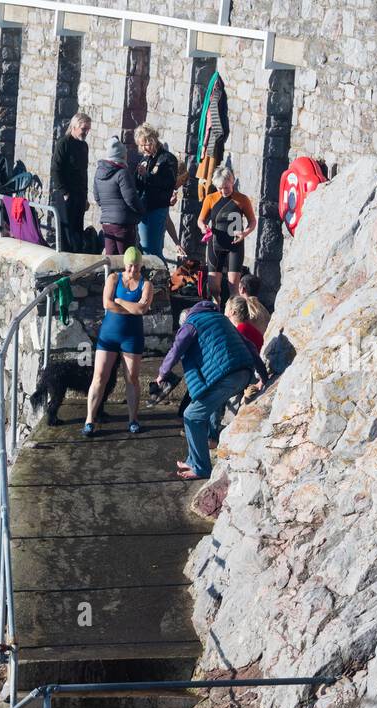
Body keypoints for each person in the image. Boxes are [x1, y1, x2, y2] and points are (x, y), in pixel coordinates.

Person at [154, 299, 260, 479]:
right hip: (243, 374)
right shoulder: (220, 319)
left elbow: (176, 349)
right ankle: (193, 459)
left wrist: (162, 373)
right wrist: (262, 378)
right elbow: (249, 346)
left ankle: (201, 468)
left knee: (191, 416)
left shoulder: (191, 323)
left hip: (227, 377)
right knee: (205, 408)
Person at [85, 246, 154, 437]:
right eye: (130, 266)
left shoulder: (146, 284)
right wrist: (130, 307)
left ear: (141, 265)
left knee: (131, 378)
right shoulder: (114, 278)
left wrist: (121, 302)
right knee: (99, 376)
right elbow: (107, 303)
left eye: (137, 267)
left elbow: (141, 310)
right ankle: (89, 419)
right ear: (125, 264)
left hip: (132, 338)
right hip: (109, 336)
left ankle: (133, 419)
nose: (133, 270)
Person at [197, 163, 256, 302]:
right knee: (213, 287)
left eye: (226, 188)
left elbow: (252, 221)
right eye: (220, 188)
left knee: (233, 286)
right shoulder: (211, 198)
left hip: (235, 245)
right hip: (215, 244)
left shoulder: (242, 199)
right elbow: (200, 219)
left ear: (232, 181)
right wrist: (203, 227)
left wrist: (245, 233)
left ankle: (232, 316)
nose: (223, 191)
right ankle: (216, 310)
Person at [133, 124, 180, 261]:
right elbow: (139, 185)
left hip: (157, 209)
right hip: (143, 208)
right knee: (143, 250)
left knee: (152, 252)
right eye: (140, 146)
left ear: (152, 141)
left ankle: (162, 280)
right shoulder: (145, 159)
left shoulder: (168, 159)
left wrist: (147, 175)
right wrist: (137, 175)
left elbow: (168, 184)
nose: (142, 149)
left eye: (144, 145)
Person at [92, 136, 143, 256]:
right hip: (123, 224)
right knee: (126, 259)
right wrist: (141, 211)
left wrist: (108, 210)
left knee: (111, 259)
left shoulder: (99, 173)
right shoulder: (122, 173)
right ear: (121, 156)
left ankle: (110, 275)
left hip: (107, 223)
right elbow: (131, 199)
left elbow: (97, 197)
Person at [50, 113, 91, 252]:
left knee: (77, 231)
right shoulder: (63, 144)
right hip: (66, 196)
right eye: (84, 129)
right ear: (74, 127)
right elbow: (56, 170)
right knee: (66, 232)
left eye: (88, 129)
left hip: (79, 195)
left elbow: (83, 173)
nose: (86, 132)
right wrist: (64, 192)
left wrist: (85, 197)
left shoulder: (84, 146)